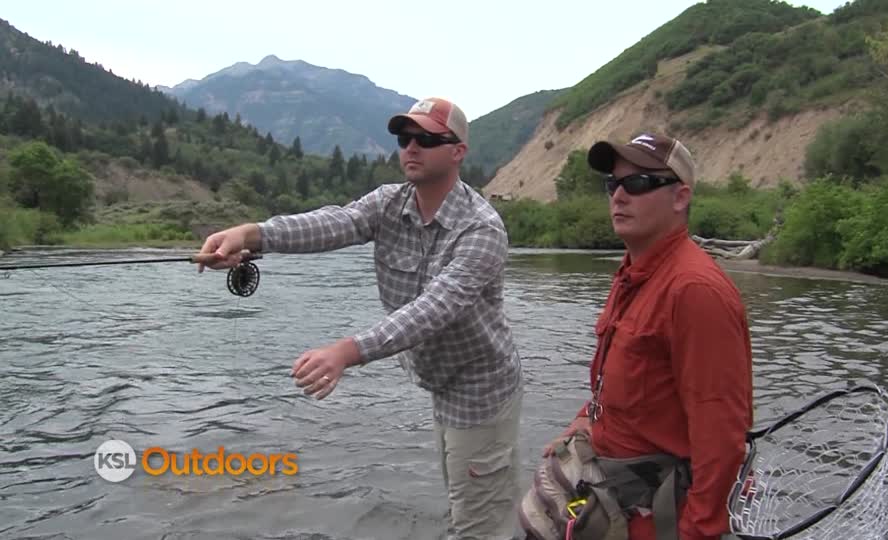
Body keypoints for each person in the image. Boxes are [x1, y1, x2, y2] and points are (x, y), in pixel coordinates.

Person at [196, 97, 524, 540]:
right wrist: (250, 234)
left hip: (482, 389)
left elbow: (434, 310)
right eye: (405, 138)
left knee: (480, 526)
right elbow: (332, 224)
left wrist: (346, 352)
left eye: (426, 139)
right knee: (464, 504)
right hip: (441, 382)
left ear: (457, 152)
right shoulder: (388, 202)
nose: (411, 147)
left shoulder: (482, 230)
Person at [533, 133, 753, 540]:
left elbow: (721, 436)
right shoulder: (632, 273)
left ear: (680, 197)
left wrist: (698, 532)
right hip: (615, 501)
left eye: (636, 184)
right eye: (612, 185)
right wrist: (583, 419)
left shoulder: (695, 291)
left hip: (659, 519)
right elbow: (622, 382)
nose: (618, 196)